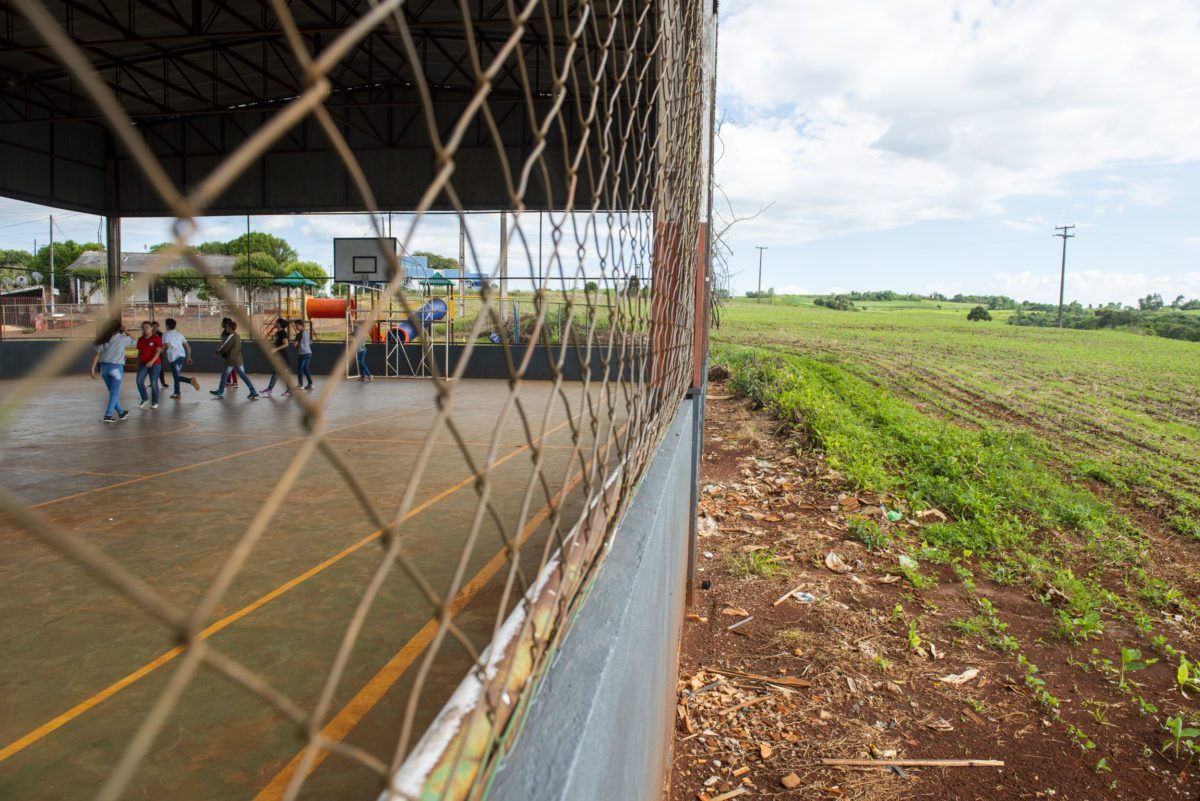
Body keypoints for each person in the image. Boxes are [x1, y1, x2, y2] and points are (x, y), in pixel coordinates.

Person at [89, 319, 134, 423]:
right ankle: (108, 415)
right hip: (116, 369)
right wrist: (126, 331)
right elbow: (135, 341)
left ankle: (121, 413)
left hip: (104, 369)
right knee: (114, 394)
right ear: (119, 329)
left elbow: (97, 354)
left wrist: (92, 368)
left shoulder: (102, 339)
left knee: (113, 393)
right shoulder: (123, 339)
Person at [210, 319, 259, 400]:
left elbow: (225, 347)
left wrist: (217, 352)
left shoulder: (231, 336)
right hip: (238, 360)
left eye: (227, 327)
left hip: (231, 360)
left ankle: (220, 391)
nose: (226, 329)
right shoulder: (237, 336)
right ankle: (253, 391)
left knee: (224, 376)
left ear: (230, 328)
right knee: (243, 376)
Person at [161, 318, 201, 398]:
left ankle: (190, 381)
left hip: (174, 358)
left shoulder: (165, 334)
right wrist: (188, 357)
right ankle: (177, 393)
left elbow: (166, 346)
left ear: (167, 326)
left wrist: (160, 351)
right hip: (182, 357)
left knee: (176, 376)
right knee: (177, 375)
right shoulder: (179, 334)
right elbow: (187, 347)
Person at [134, 321, 164, 409]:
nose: (145, 329)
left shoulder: (156, 338)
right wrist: (137, 363)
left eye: (147, 327)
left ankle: (155, 401)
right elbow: (139, 353)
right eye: (143, 327)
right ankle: (144, 399)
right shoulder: (140, 339)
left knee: (153, 383)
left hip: (155, 364)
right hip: (143, 364)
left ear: (151, 328)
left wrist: (151, 361)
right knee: (139, 381)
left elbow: (158, 351)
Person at [262, 317, 292, 398]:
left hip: (283, 358)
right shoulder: (278, 333)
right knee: (275, 373)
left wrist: (276, 349)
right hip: (279, 358)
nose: (275, 323)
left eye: (276, 322)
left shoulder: (283, 333)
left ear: (279, 324)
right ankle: (269, 390)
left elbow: (286, 344)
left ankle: (289, 391)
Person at [294, 319, 314, 391]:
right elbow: (310, 342)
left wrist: (297, 346)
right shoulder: (307, 333)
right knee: (305, 368)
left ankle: (300, 385)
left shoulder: (299, 334)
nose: (296, 327)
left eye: (296, 326)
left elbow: (294, 345)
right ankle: (310, 384)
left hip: (302, 353)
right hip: (309, 353)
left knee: (300, 369)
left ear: (301, 325)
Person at [152, 321, 170, 390]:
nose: (154, 327)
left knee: (160, 367)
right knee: (152, 368)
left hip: (159, 353)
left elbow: (164, 343)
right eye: (153, 326)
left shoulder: (160, 334)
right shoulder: (149, 333)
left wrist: (162, 349)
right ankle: (153, 382)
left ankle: (163, 382)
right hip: (151, 353)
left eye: (156, 326)